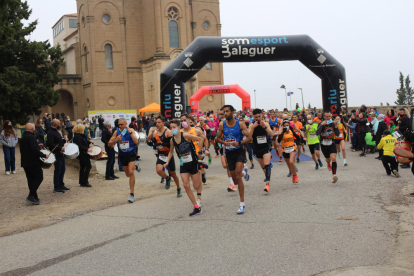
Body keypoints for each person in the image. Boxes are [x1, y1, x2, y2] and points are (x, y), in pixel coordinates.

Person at [216, 105, 252, 214]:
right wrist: (223, 143)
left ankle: (242, 204)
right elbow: (217, 138)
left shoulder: (240, 124)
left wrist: (240, 142)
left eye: (227, 111)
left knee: (238, 176)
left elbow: (249, 138)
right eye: (223, 112)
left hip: (239, 152)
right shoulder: (222, 125)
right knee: (235, 181)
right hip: (229, 153)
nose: (225, 113)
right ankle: (244, 173)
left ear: (232, 112)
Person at [164, 120, 204, 215]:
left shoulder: (185, 135)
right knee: (186, 185)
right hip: (184, 164)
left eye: (174, 127)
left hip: (193, 162)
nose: (172, 129)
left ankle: (200, 174)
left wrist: (199, 152)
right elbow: (170, 152)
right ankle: (196, 207)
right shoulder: (172, 140)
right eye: (171, 127)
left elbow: (201, 139)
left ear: (179, 127)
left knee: (196, 186)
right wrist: (167, 162)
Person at [147, 116, 182, 196]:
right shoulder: (155, 133)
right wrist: (153, 142)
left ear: (163, 123)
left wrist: (162, 144)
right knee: (159, 170)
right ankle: (167, 178)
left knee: (173, 173)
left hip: (168, 155)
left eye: (159, 122)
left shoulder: (168, 132)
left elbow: (172, 145)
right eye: (156, 122)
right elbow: (150, 143)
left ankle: (178, 188)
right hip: (161, 155)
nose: (157, 124)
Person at [108, 118, 139, 203]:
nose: (120, 126)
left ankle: (131, 194)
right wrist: (116, 140)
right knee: (128, 174)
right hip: (122, 155)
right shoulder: (116, 132)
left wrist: (131, 133)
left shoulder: (131, 129)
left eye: (122, 124)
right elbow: (109, 143)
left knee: (131, 172)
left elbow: (136, 142)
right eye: (119, 124)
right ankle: (135, 166)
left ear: (126, 123)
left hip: (131, 153)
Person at [20, 123, 49, 204]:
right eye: (34, 127)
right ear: (32, 128)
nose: (35, 128)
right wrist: (44, 155)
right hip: (32, 161)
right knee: (39, 177)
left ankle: (34, 197)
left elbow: (29, 147)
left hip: (25, 161)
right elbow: (34, 150)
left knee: (31, 180)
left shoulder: (23, 137)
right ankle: (31, 195)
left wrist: (37, 145)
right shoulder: (31, 137)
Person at [249, 109, 275, 192]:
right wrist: (253, 127)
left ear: (262, 116)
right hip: (257, 148)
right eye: (256, 117)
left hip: (265, 146)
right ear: (253, 117)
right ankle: (267, 176)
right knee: (263, 167)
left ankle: (267, 184)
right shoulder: (251, 125)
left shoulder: (266, 123)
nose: (258, 118)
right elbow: (249, 137)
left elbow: (271, 134)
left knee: (267, 165)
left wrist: (265, 127)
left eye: (259, 116)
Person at [316, 111, 340, 183]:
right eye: (327, 117)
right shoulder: (321, 123)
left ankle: (334, 175)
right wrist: (321, 125)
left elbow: (338, 134)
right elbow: (317, 133)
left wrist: (336, 126)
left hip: (331, 142)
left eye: (330, 116)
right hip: (323, 144)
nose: (328, 118)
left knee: (333, 158)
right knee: (328, 159)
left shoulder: (333, 124)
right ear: (324, 117)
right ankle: (328, 163)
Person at [47, 119, 68, 193]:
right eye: (59, 124)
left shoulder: (55, 130)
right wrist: (60, 148)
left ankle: (61, 185)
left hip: (60, 153)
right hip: (56, 153)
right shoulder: (51, 132)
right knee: (58, 170)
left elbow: (58, 140)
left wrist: (64, 140)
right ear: (55, 124)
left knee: (62, 169)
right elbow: (50, 143)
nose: (60, 125)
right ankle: (56, 187)